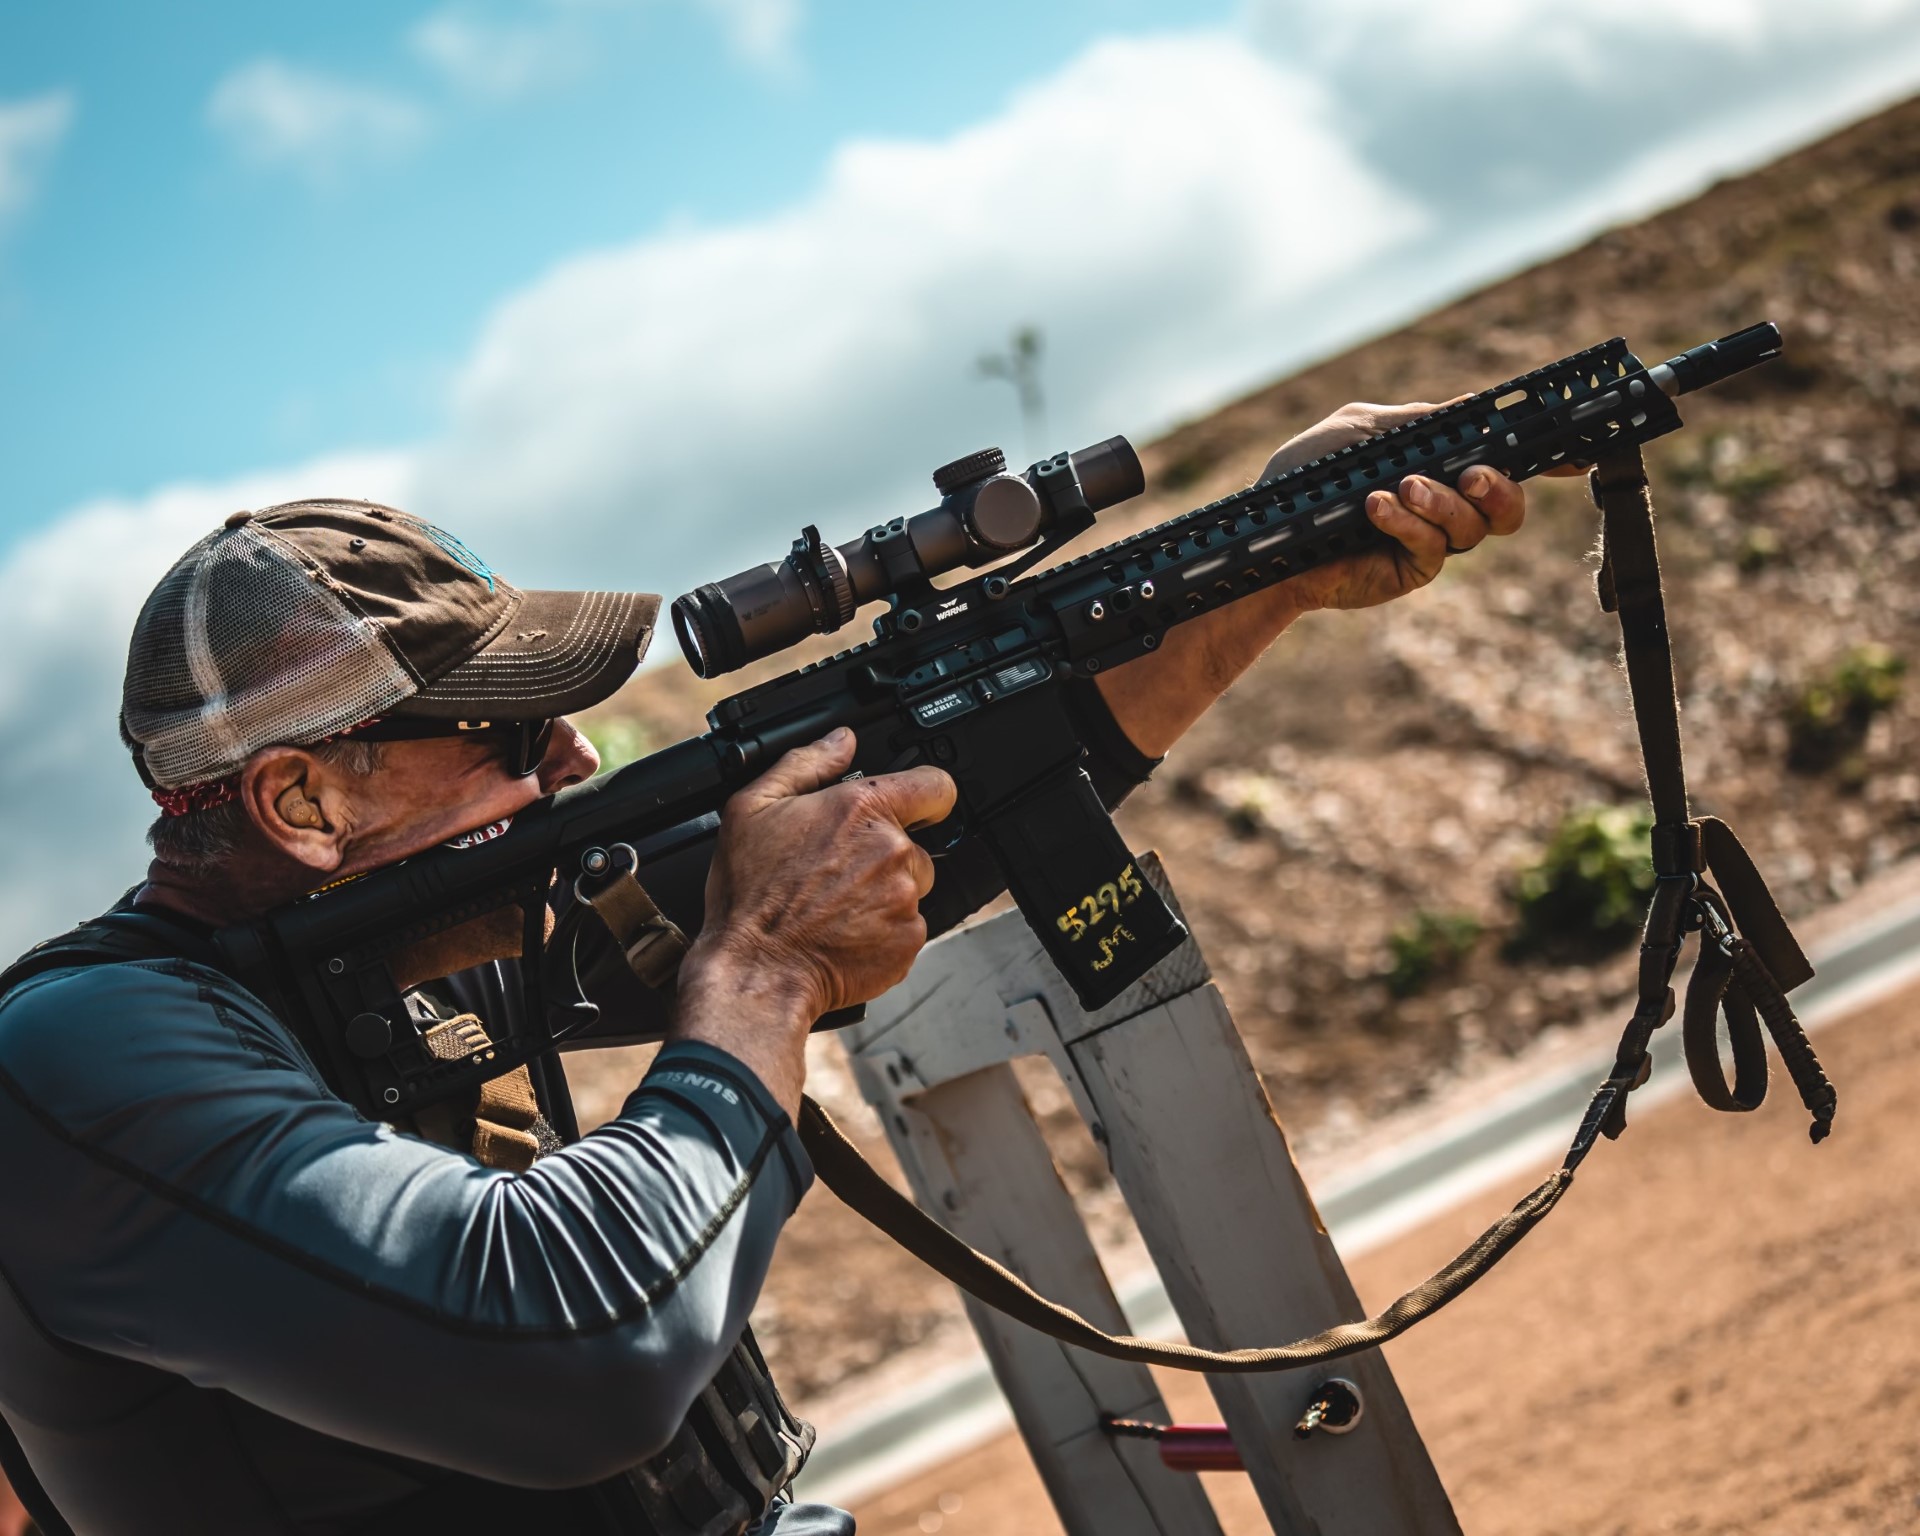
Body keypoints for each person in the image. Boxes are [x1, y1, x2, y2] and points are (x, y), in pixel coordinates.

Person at [0, 405, 1529, 1534]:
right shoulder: (83, 1063)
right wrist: (768, 970)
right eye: (514, 741)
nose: (575, 762)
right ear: (303, 806)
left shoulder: (403, 946)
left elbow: (939, 806)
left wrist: (1259, 566)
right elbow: (573, 1343)